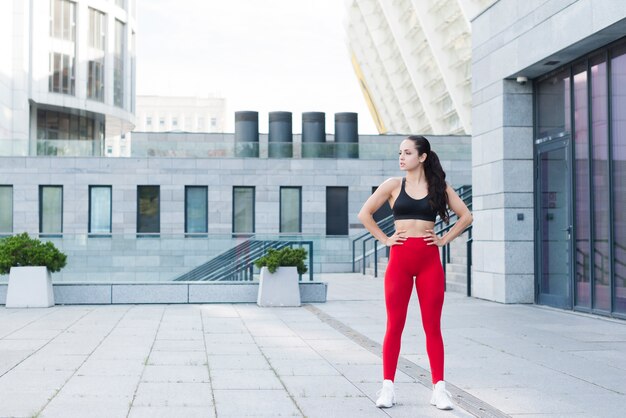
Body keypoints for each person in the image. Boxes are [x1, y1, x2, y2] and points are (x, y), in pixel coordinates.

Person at [357, 135, 472, 410]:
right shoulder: (393, 185)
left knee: (432, 326)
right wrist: (385, 240)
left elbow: (466, 216)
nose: (401, 157)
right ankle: (387, 388)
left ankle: (439, 389)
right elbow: (365, 214)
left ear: (421, 157)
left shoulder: (439, 186)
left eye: (407, 153)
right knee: (394, 325)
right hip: (400, 260)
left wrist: (444, 240)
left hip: (429, 260)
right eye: (400, 152)